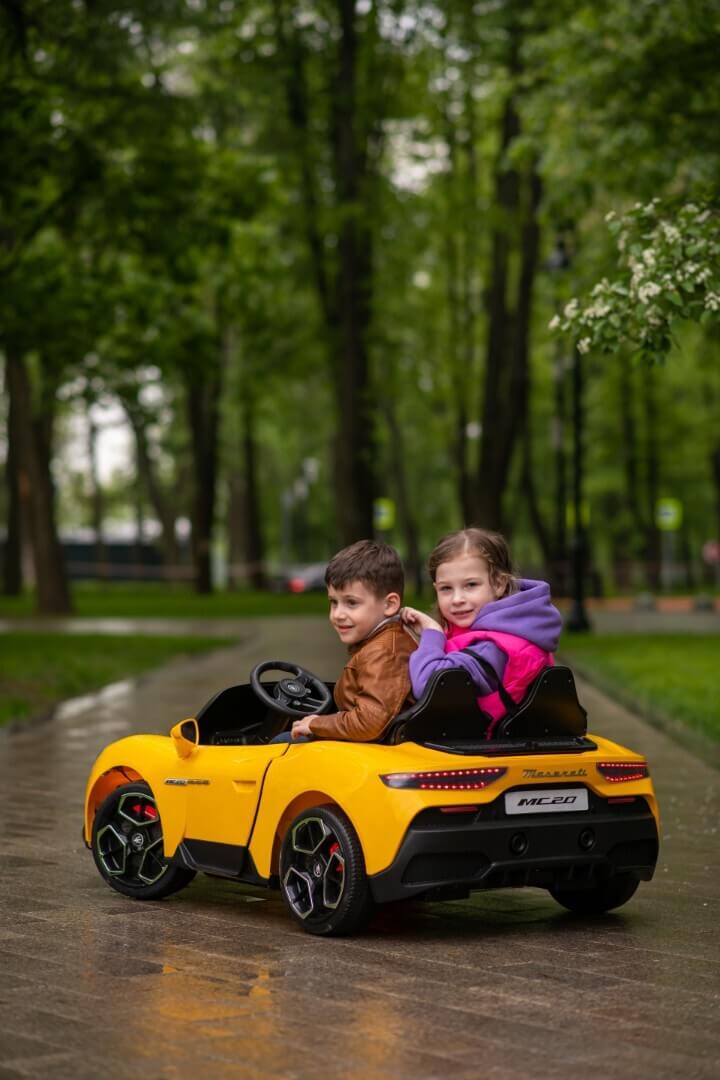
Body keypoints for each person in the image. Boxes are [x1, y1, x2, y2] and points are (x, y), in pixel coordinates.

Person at [401, 527, 562, 735]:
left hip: (485, 754)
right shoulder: (500, 630)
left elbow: (429, 686)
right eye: (446, 588)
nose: (457, 599)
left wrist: (433, 634)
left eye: (470, 585)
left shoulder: (493, 647)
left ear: (498, 584)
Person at [284, 539, 417, 742]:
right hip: (371, 748)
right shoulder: (379, 643)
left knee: (283, 742)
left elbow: (369, 723)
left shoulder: (384, 653)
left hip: (379, 756)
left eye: (351, 603)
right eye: (333, 602)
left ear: (389, 605)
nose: (338, 614)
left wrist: (316, 724)